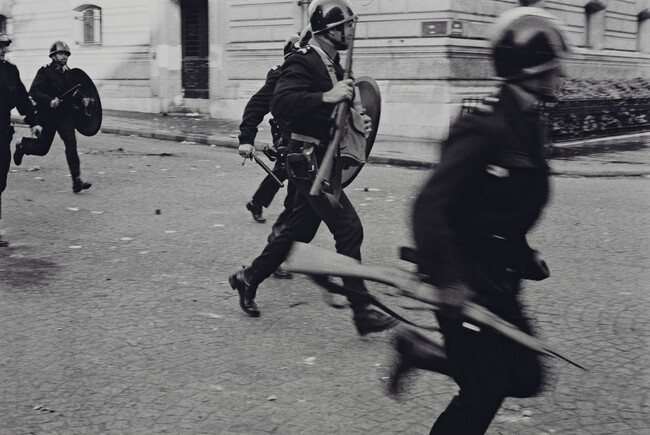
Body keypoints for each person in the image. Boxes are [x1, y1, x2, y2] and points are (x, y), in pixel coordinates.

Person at [390, 6, 570, 434]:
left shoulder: (529, 123)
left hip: (501, 281)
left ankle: (419, 350)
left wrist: (524, 255)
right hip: (466, 281)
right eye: (554, 66)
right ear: (531, 69)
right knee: (482, 393)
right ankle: (440, 356)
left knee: (527, 378)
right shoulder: (484, 125)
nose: (561, 74)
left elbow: (501, 209)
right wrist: (449, 281)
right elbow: (428, 206)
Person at [228, 0, 397, 336]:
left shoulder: (335, 65)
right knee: (349, 229)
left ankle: (248, 278)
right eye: (346, 25)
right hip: (307, 162)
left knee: (298, 232)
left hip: (326, 161)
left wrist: (355, 117)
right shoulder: (302, 61)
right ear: (330, 30)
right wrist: (327, 97)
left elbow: (337, 109)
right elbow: (280, 102)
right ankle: (361, 312)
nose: (351, 30)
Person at [238, 33, 301, 278]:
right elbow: (256, 105)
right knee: (295, 204)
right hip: (290, 144)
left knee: (297, 204)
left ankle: (274, 252)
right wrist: (246, 139)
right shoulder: (281, 75)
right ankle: (274, 257)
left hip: (309, 149)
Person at [13, 40, 92, 193]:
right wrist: (49, 101)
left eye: (66, 54)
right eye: (61, 54)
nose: (65, 57)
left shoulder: (69, 74)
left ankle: (76, 180)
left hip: (65, 117)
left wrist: (83, 99)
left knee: (71, 145)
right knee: (42, 149)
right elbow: (34, 92)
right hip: (47, 116)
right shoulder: (44, 72)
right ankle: (21, 145)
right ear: (53, 56)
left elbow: (73, 92)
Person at [0, 33, 42, 247]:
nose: (1, 50)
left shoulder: (10, 71)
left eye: (3, 46)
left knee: (1, 179)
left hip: (2, 130)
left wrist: (33, 121)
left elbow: (22, 99)